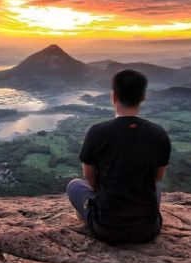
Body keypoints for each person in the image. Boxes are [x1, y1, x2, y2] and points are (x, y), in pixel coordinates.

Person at [67, 69, 171, 244]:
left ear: (113, 97)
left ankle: (87, 215)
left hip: (105, 228)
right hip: (147, 230)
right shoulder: (159, 133)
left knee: (74, 185)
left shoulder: (97, 132)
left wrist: (103, 191)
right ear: (143, 97)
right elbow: (157, 177)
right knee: (157, 187)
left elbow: (88, 176)